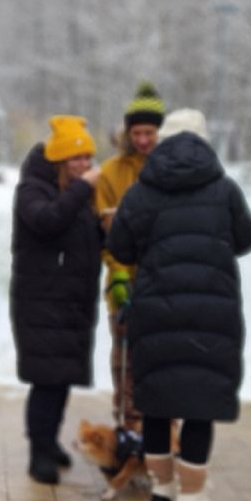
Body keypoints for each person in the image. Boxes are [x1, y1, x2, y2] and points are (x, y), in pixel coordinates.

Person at [107, 109, 251, 501]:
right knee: (199, 403)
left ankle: (162, 491)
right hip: (213, 310)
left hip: (156, 309)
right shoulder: (224, 189)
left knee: (157, 401)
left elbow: (119, 247)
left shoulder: (142, 191)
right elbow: (247, 239)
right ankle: (193, 499)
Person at [10, 115, 102, 484]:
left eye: (88, 159)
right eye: (78, 159)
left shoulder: (75, 192)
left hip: (72, 302)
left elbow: (83, 238)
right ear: (61, 160)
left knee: (61, 379)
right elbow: (48, 221)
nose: (85, 166)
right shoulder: (34, 190)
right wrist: (82, 191)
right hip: (42, 303)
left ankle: (49, 444)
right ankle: (38, 452)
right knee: (46, 381)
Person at [93, 81, 164, 441]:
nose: (142, 140)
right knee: (125, 363)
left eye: (149, 132)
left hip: (165, 281)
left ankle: (163, 433)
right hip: (124, 281)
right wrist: (118, 274)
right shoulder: (111, 171)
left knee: (160, 362)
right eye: (136, 132)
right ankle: (129, 429)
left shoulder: (170, 168)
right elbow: (104, 228)